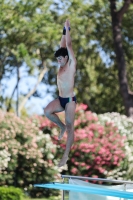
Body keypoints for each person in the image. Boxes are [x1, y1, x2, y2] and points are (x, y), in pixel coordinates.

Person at [44, 19, 77, 167]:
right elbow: (63, 44)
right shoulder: (62, 60)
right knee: (47, 111)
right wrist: (63, 31)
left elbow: (68, 45)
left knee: (71, 125)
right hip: (60, 99)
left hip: (69, 100)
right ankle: (61, 126)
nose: (58, 61)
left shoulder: (70, 64)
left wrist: (68, 30)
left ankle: (65, 157)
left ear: (66, 58)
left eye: (60, 59)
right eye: (57, 59)